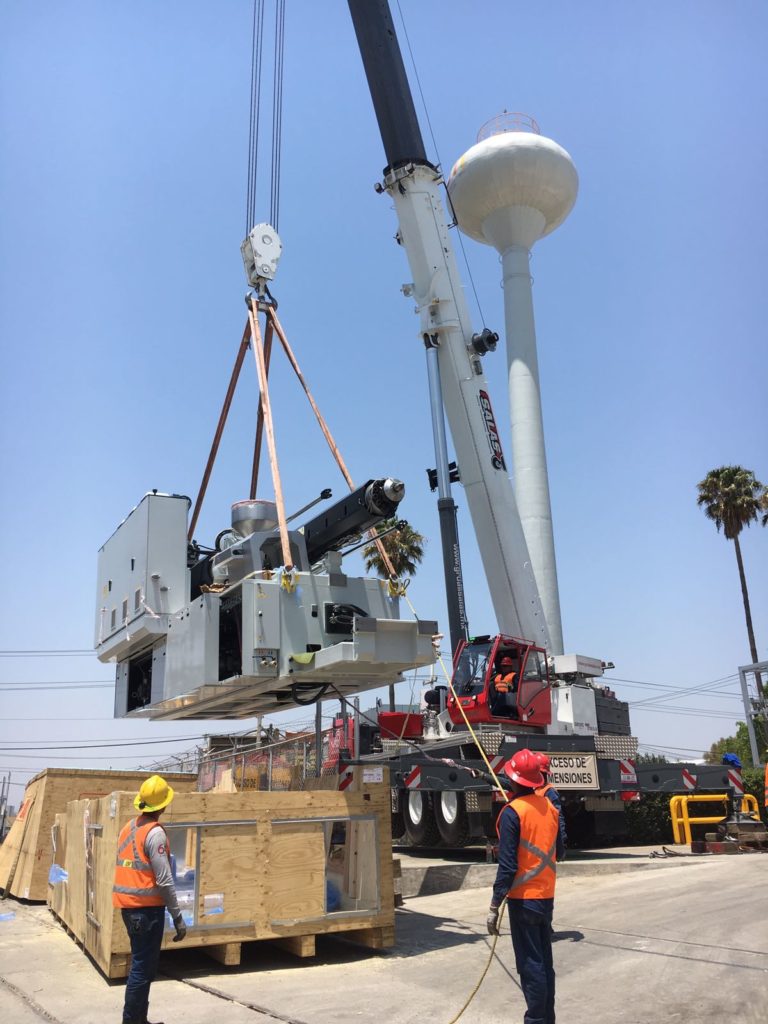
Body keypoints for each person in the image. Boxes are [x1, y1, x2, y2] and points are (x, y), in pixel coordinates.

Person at [487, 748, 564, 1024]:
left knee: (530, 965)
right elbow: (560, 850)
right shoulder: (551, 809)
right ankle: (547, 1019)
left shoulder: (513, 813)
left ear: (515, 781)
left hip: (523, 899)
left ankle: (535, 1020)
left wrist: (495, 904)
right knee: (544, 962)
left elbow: (507, 866)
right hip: (546, 896)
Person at [113, 775, 187, 1024]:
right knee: (142, 970)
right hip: (146, 913)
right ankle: (132, 1021)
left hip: (129, 909)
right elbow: (165, 880)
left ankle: (138, 1019)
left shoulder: (129, 828)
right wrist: (178, 917)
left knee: (141, 968)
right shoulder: (154, 834)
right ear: (163, 806)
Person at [534, 752, 567, 853]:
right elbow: (509, 784)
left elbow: (558, 817)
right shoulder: (534, 789)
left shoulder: (549, 791)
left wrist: (561, 844)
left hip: (544, 839)